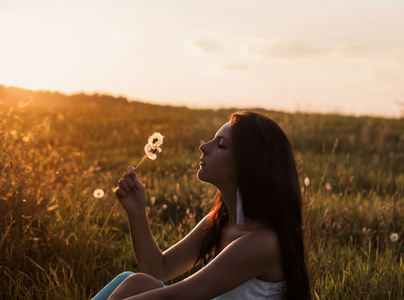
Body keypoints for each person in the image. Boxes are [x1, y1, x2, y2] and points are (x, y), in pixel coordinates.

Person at [92, 111, 310, 300]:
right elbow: (158, 269)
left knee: (135, 285)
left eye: (221, 145)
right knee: (133, 281)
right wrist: (136, 211)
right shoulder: (220, 222)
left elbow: (176, 296)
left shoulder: (262, 242)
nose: (204, 147)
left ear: (249, 165)